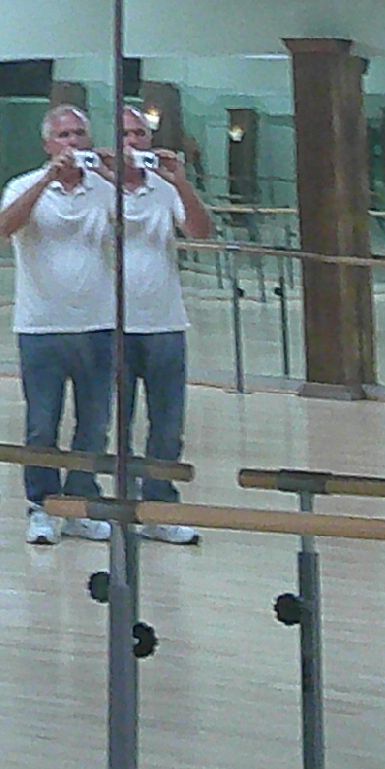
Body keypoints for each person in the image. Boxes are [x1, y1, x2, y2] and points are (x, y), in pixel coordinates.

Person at [0, 107, 117, 544]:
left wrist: (113, 174)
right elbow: (5, 226)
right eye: (63, 135)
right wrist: (47, 179)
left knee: (94, 424)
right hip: (40, 327)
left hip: (98, 325)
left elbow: (138, 226)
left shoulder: (106, 188)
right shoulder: (23, 185)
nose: (72, 142)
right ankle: (41, 506)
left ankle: (80, 503)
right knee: (41, 424)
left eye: (79, 134)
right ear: (48, 144)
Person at [114, 104, 215, 544]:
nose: (133, 142)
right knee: (113, 423)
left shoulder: (165, 188)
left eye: (139, 134)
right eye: (124, 134)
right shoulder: (95, 187)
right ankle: (116, 507)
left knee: (167, 426)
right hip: (110, 325)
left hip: (164, 323)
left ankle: (160, 507)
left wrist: (181, 182)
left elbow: (201, 230)